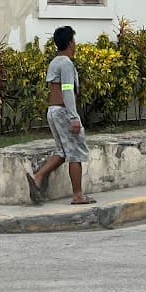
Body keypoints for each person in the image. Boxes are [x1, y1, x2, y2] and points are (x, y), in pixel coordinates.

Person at [27, 27, 93, 206]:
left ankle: (38, 176)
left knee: (62, 152)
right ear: (71, 43)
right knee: (75, 154)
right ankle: (78, 195)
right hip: (63, 111)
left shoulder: (55, 62)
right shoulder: (66, 63)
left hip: (53, 111)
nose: (75, 44)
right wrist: (73, 117)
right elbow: (67, 90)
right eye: (74, 41)